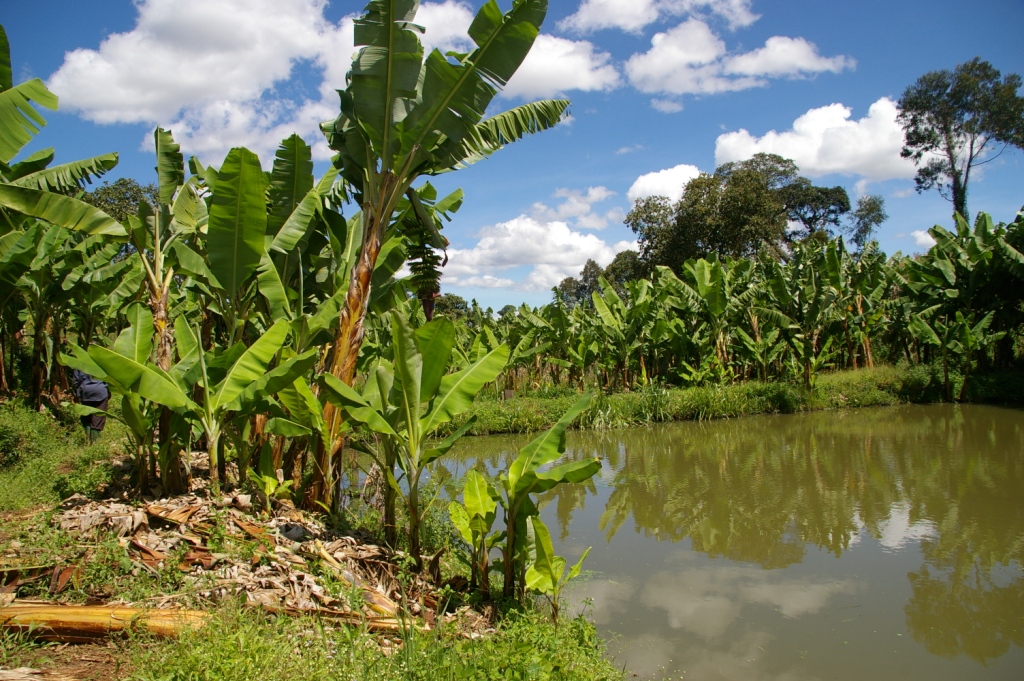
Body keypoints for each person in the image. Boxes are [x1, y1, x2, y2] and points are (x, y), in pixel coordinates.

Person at [71, 369, 109, 443]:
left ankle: (88, 439)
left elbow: (75, 382)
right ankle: (95, 441)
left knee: (87, 415)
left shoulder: (79, 363)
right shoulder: (98, 361)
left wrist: (76, 394)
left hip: (85, 392)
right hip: (100, 391)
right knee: (98, 417)